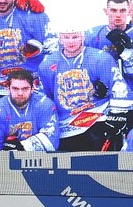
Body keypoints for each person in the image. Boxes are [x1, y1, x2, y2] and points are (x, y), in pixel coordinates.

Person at [85, 0, 133, 147]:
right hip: (102, 104)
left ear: (128, 11)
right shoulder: (92, 35)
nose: (118, 15)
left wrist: (127, 52)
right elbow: (83, 67)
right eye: (113, 10)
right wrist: (95, 84)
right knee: (102, 148)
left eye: (122, 10)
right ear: (106, 11)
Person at [37, 24, 122, 152]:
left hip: (96, 119)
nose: (70, 41)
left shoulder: (101, 58)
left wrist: (117, 115)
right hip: (65, 125)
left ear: (83, 37)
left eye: (75, 37)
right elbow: (45, 98)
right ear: (60, 38)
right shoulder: (47, 64)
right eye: (66, 37)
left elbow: (118, 86)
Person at [0, 68, 59, 152]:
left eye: (25, 88)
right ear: (8, 88)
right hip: (7, 158)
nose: (20, 93)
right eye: (15, 88)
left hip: (39, 157)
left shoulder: (45, 105)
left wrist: (21, 147)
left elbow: (52, 139)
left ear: (32, 89)